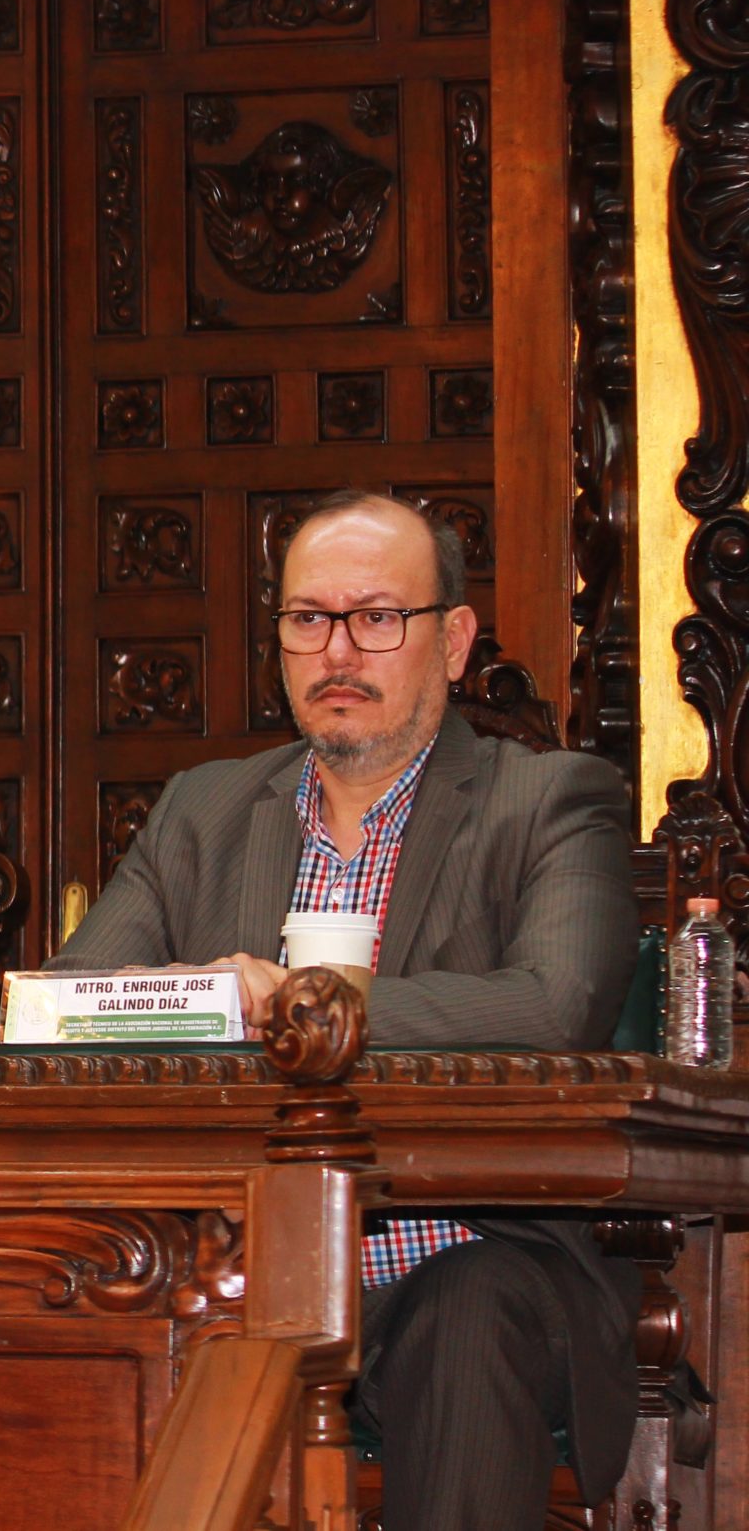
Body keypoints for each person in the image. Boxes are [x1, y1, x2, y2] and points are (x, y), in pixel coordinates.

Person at [52, 491, 641, 1529]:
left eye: (376, 618)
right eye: (306, 620)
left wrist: (311, 1009)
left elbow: (556, 1008)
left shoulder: (548, 800)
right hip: (226, 1268)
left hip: (460, 1259)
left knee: (468, 1313)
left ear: (451, 641)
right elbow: (67, 1015)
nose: (337, 652)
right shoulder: (203, 808)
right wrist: (204, 1002)